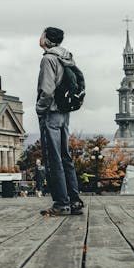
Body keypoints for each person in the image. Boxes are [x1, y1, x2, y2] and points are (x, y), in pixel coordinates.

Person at [36, 27, 83, 217]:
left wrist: (40, 108)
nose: (39, 37)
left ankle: (61, 203)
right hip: (65, 112)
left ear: (47, 40)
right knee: (65, 156)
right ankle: (74, 201)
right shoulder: (67, 57)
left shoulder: (48, 59)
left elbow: (47, 90)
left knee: (53, 158)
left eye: (42, 34)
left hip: (52, 112)